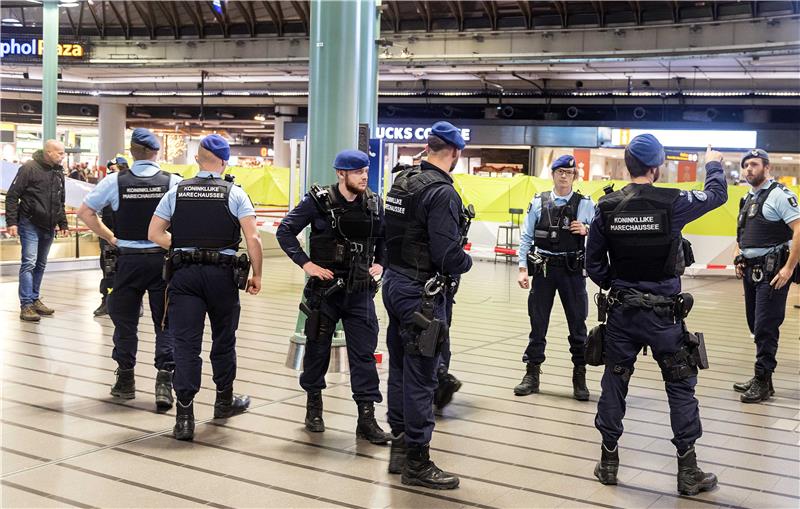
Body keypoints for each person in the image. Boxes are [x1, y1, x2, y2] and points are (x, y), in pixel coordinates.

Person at [586, 136, 727, 496]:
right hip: (665, 316)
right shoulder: (674, 202)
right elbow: (717, 195)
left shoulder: (606, 207)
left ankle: (609, 462)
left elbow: (594, 266)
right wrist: (712, 163)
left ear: (627, 166)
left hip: (621, 314)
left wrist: (618, 284)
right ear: (656, 168)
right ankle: (687, 471)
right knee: (680, 385)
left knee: (615, 381)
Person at [148, 134, 261, 441]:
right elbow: (253, 239)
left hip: (184, 276)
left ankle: (184, 416)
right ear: (225, 162)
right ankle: (224, 401)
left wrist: (184, 245)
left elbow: (155, 232)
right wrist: (257, 275)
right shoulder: (235, 193)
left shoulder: (177, 191)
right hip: (222, 277)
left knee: (185, 345)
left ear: (198, 159)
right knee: (223, 341)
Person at [276, 149, 390, 445]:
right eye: (357, 172)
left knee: (364, 356)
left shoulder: (374, 204)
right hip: (324, 292)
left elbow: (385, 239)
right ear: (341, 174)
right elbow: (286, 231)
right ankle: (314, 406)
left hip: (359, 292)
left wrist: (381, 263)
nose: (364, 176)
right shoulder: (318, 201)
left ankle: (366, 418)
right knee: (317, 351)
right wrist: (307, 264)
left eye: (366, 170)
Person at [382, 121, 473, 489]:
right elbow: (447, 254)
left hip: (394, 285)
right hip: (423, 294)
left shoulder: (401, 182)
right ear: (454, 152)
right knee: (422, 375)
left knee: (400, 368)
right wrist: (467, 262)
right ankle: (418, 462)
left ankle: (399, 449)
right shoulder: (442, 192)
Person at [77, 128, 180, 411]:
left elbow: (84, 212)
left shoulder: (114, 181)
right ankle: (164, 383)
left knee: (124, 322)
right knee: (165, 322)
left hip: (127, 262)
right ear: (156, 152)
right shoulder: (173, 181)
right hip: (163, 262)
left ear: (132, 152)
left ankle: (125, 380)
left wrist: (110, 237)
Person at [514, 155, 595, 400]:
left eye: (568, 172)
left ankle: (579, 376)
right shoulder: (539, 202)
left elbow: (600, 235)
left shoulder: (585, 203)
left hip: (572, 271)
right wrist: (521, 267)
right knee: (537, 325)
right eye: (559, 171)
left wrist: (587, 229)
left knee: (577, 325)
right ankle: (532, 374)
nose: (563, 176)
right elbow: (527, 237)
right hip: (544, 271)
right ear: (553, 174)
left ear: (574, 176)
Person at [732, 149, 800, 403]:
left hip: (773, 272)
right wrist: (738, 257)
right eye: (746, 165)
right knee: (755, 324)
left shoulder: (780, 195)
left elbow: (798, 230)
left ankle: (762, 379)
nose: (749, 169)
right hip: (751, 270)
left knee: (765, 327)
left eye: (754, 164)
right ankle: (764, 380)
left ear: (767, 167)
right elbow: (741, 233)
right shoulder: (748, 199)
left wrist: (789, 268)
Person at [5, 139, 68, 322]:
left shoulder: (58, 172)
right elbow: (12, 196)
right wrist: (12, 222)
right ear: (48, 152)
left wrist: (63, 223)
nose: (62, 156)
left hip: (49, 225)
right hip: (29, 223)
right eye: (59, 153)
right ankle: (26, 304)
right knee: (29, 263)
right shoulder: (29, 168)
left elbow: (60, 200)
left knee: (40, 264)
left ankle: (34, 298)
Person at [94, 158, 128, 317]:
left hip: (127, 236)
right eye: (109, 171)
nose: (110, 174)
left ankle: (135, 303)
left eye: (113, 170)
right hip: (108, 235)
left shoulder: (130, 187)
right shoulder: (105, 188)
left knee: (128, 270)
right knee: (108, 271)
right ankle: (106, 301)